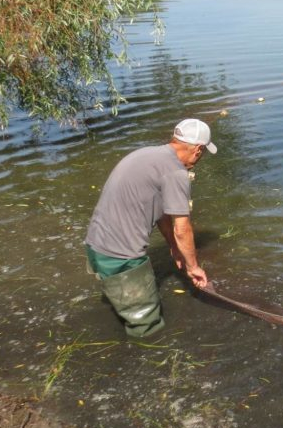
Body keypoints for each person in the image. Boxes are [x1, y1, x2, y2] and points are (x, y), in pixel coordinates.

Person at [85, 119, 216, 337]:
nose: (199, 159)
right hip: (122, 258)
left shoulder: (147, 155)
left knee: (121, 308)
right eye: (202, 153)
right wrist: (194, 267)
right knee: (148, 329)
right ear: (198, 150)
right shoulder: (175, 172)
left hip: (96, 247)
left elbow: (161, 213)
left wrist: (174, 247)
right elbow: (182, 228)